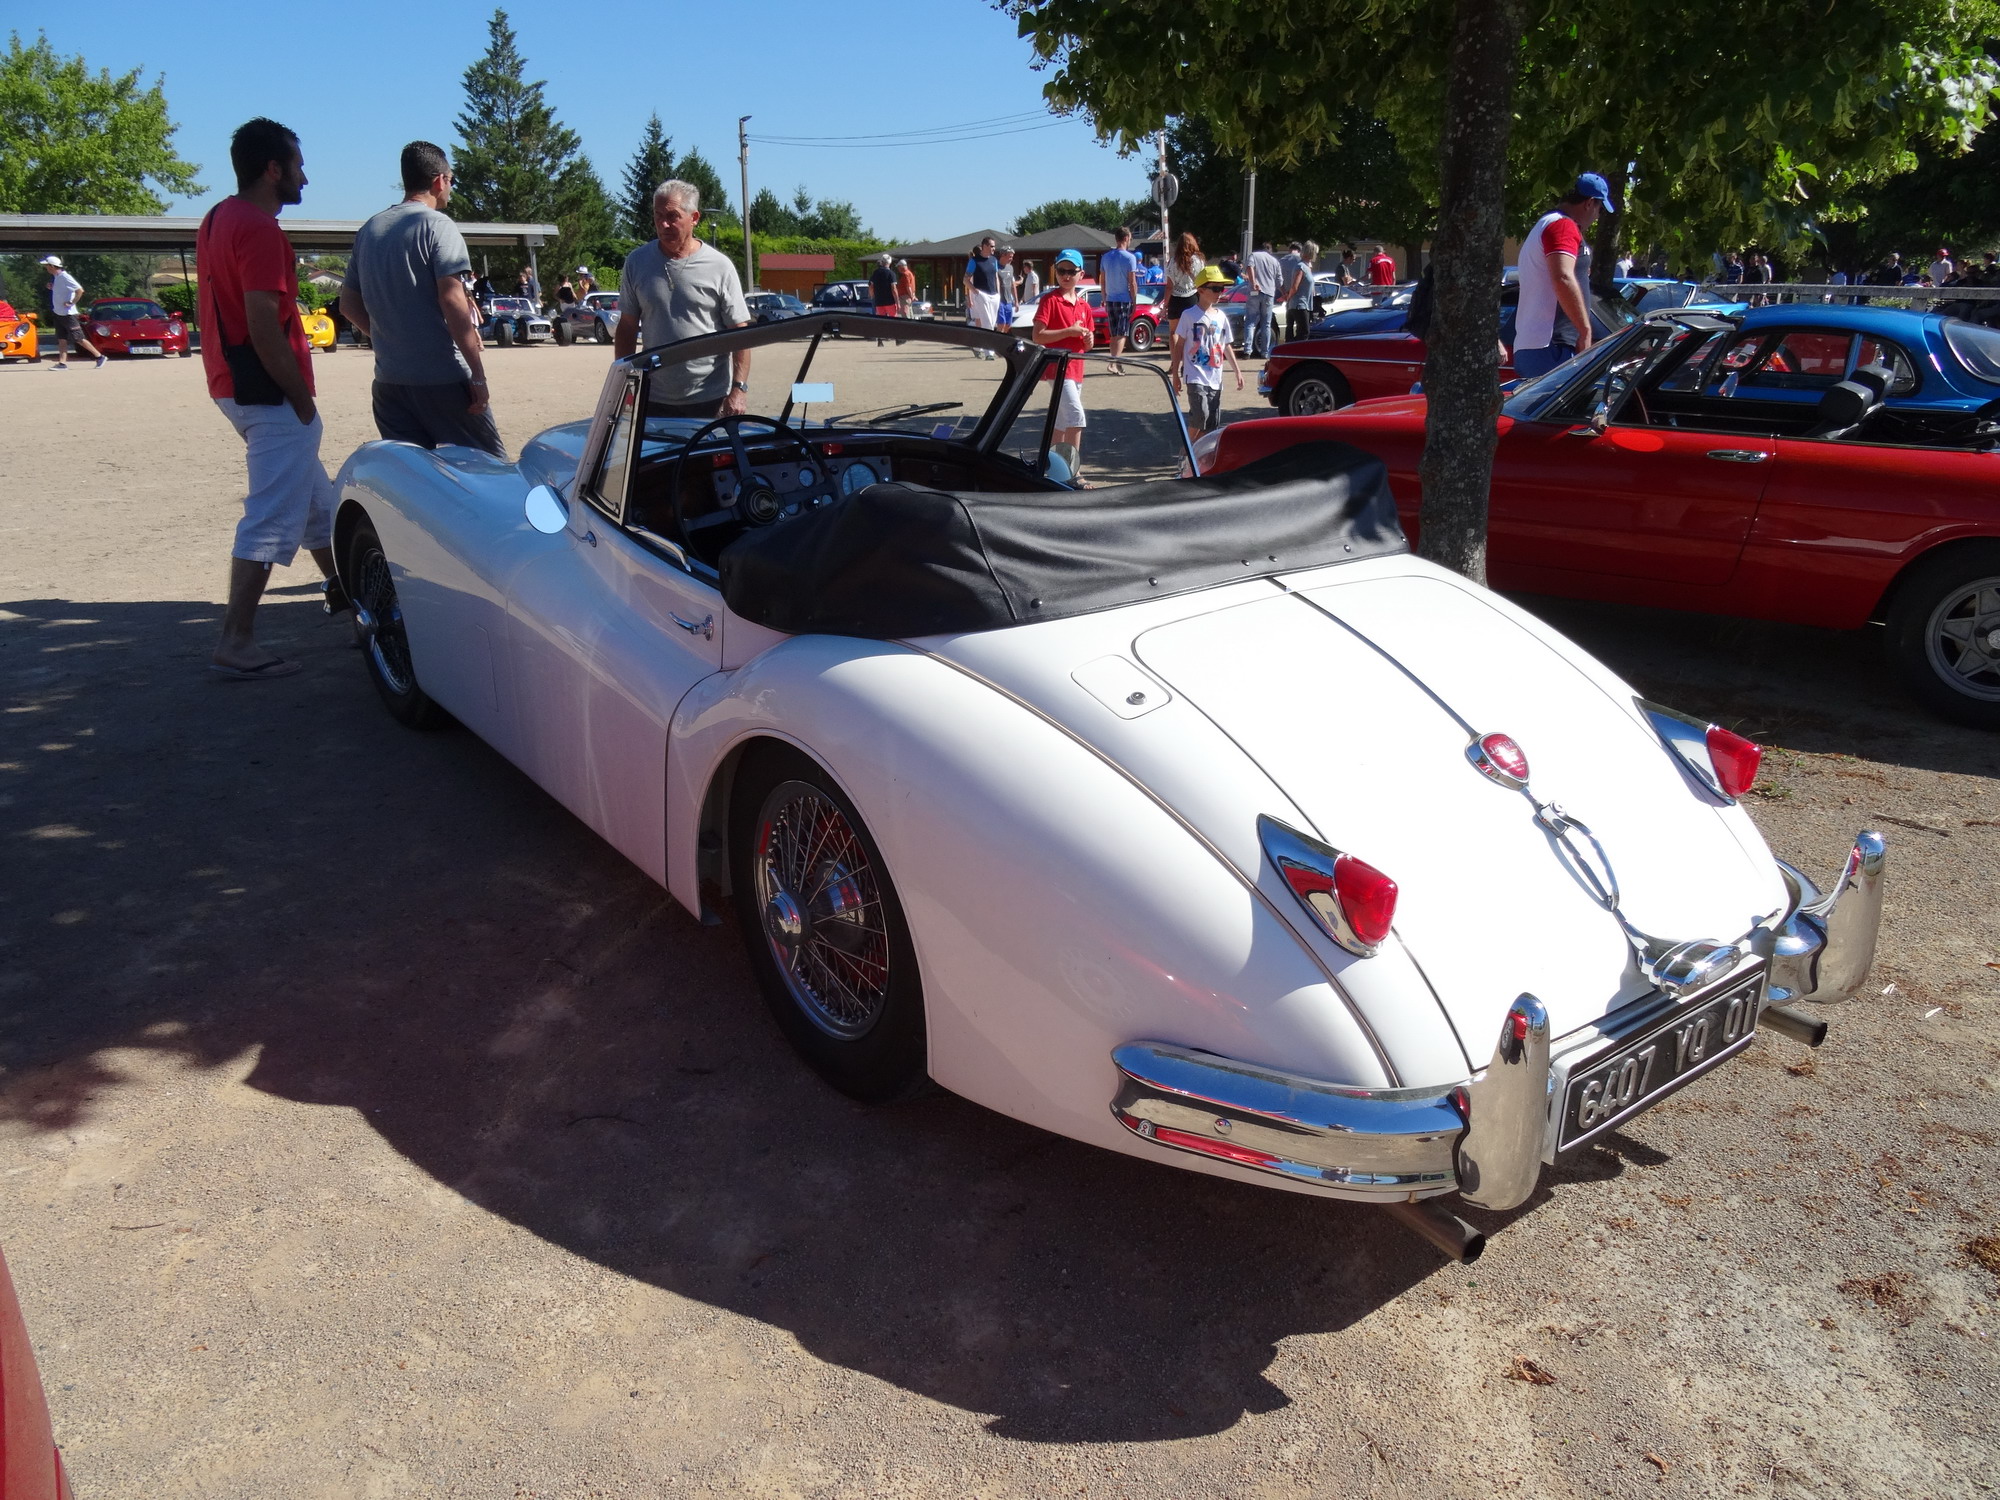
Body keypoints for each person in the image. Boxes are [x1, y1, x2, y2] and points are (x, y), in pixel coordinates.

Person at [198, 117, 340, 680]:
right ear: (273, 169)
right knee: (273, 516)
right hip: (268, 395)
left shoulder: (218, 217)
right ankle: (236, 639)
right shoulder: (259, 229)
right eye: (298, 166)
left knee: (318, 508)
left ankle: (355, 604)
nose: (305, 177)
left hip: (233, 385)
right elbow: (262, 324)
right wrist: (302, 400)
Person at [340, 140, 501, 457]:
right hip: (442, 377)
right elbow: (452, 300)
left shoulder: (370, 229)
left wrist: (389, 339)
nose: (450, 188)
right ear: (439, 180)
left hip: (389, 383)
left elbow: (348, 305)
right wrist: (478, 374)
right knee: (488, 468)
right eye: (451, 180)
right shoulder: (438, 226)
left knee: (415, 478)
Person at [614, 179, 752, 415]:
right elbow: (627, 326)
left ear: (694, 217)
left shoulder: (719, 266)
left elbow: (739, 333)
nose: (663, 224)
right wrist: (623, 382)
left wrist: (739, 389)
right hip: (652, 398)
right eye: (658, 216)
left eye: (672, 216)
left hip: (709, 397)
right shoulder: (637, 262)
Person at [1512, 172, 1613, 380]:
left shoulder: (1546, 223)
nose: (1596, 217)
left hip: (1538, 346)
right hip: (1552, 347)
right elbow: (1563, 278)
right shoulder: (1563, 226)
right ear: (1589, 203)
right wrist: (1585, 331)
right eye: (1599, 209)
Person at [1031, 249, 1094, 481]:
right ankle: (1074, 472)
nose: (1066, 275)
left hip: (1076, 369)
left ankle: (1050, 470)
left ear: (1081, 274)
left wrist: (1088, 339)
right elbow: (1038, 336)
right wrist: (1069, 331)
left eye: (1071, 271)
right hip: (1057, 368)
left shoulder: (1084, 306)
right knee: (1076, 417)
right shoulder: (1050, 300)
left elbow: (1088, 344)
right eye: (1061, 270)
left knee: (1061, 422)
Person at [1170, 265, 1244, 442]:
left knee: (1211, 425)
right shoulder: (1189, 315)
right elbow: (1179, 345)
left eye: (1222, 288)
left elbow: (1226, 345)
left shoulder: (1221, 316)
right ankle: (1186, 451)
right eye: (1215, 288)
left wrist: (1237, 371)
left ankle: (1196, 452)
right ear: (1201, 290)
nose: (1219, 293)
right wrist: (1176, 374)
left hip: (1215, 378)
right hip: (1195, 375)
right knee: (1200, 416)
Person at [37, 256, 104, 369]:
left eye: (47, 266)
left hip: (68, 314)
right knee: (61, 339)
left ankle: (99, 356)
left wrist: (71, 303)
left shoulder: (65, 277)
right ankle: (62, 363)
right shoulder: (56, 277)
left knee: (78, 338)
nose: (46, 268)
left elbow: (79, 290)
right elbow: (62, 291)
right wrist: (52, 287)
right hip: (58, 313)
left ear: (52, 266)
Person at [1097, 226, 1141, 373]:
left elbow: (1102, 280)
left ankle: (1114, 361)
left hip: (1110, 299)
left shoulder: (1105, 257)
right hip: (1124, 299)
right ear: (1126, 238)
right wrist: (1134, 301)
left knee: (1113, 334)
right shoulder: (1130, 258)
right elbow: (1132, 282)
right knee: (1122, 333)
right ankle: (1113, 362)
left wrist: (1104, 297)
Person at [1244, 239, 1283, 359]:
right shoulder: (1275, 261)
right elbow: (1279, 282)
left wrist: (1254, 282)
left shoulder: (1253, 255)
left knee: (1250, 321)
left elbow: (1250, 267)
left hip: (1254, 292)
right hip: (1269, 293)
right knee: (1266, 324)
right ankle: (1265, 352)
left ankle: (1247, 351)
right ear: (1270, 250)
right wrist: (1284, 293)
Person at [964, 235, 1001, 358]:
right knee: (987, 322)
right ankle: (989, 352)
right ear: (984, 246)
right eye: (991, 246)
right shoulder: (974, 261)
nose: (994, 248)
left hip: (994, 295)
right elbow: (965, 280)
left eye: (994, 246)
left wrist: (998, 293)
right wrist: (975, 292)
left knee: (992, 323)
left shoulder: (994, 260)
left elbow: (996, 277)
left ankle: (976, 346)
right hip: (981, 295)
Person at [1166, 232, 1204, 323]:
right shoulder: (1199, 261)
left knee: (1174, 330)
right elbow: (1202, 282)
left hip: (1176, 300)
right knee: (1192, 328)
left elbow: (1169, 286)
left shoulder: (1173, 261)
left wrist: (1165, 305)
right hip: (1192, 298)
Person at [869, 252, 897, 344]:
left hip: (879, 301)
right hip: (890, 301)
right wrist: (897, 300)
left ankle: (880, 338)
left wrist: (872, 296)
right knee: (893, 319)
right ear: (890, 262)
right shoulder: (891, 274)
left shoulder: (876, 273)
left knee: (881, 320)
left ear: (881, 262)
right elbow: (893, 289)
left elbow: (871, 286)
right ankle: (896, 337)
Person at [996, 245, 1019, 332]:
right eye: (1009, 257)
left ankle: (1003, 338)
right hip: (1000, 300)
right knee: (1001, 323)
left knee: (1008, 324)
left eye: (1012, 257)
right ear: (1003, 255)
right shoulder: (995, 267)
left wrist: (1016, 301)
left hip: (1009, 300)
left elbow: (1013, 285)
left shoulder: (1010, 268)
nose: (1011, 259)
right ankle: (997, 339)